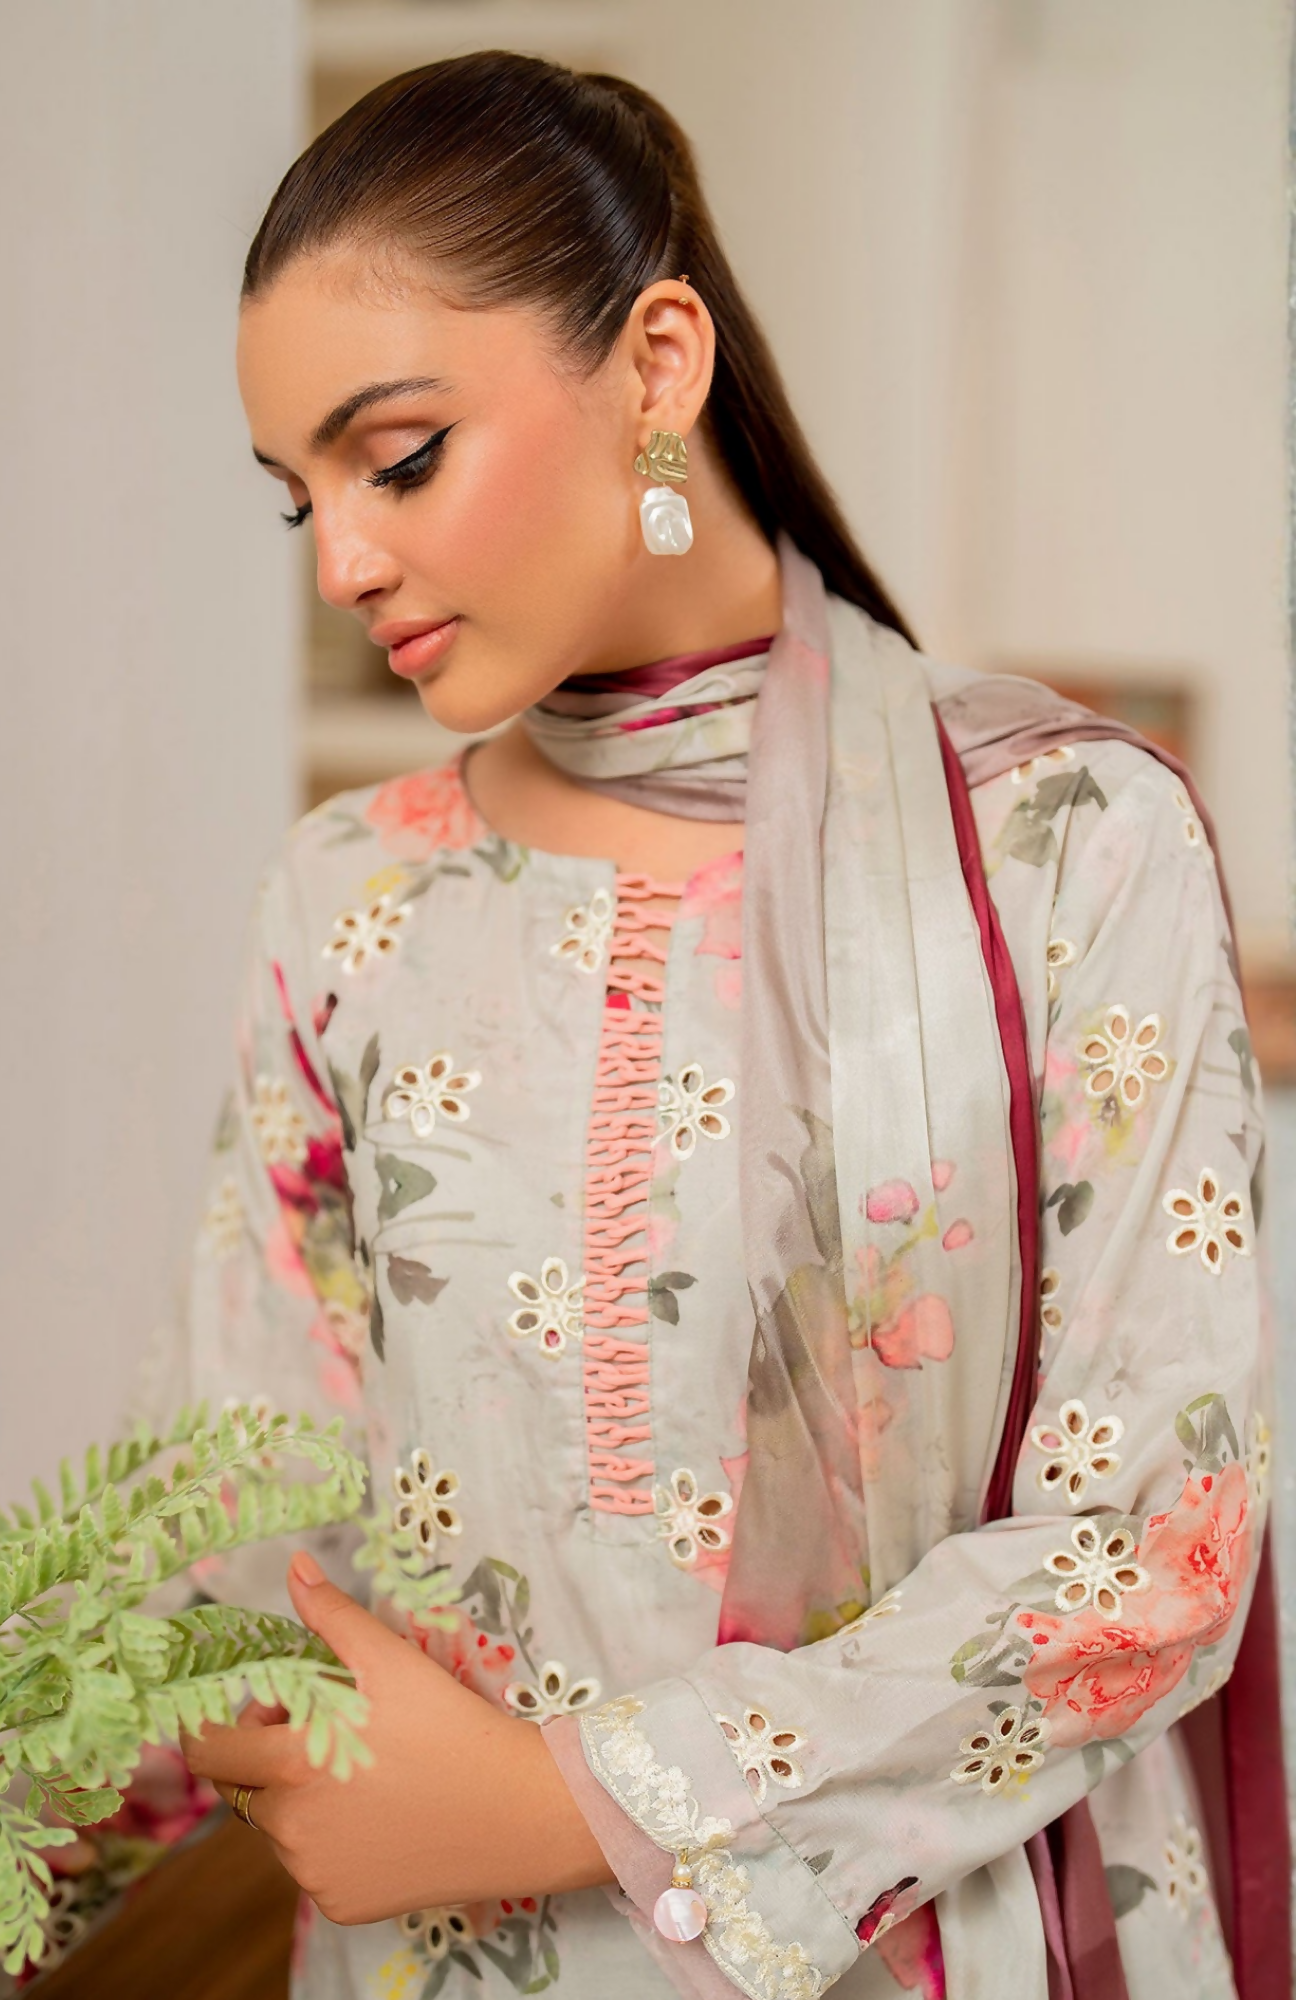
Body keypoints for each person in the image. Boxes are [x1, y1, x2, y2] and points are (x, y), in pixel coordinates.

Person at [177, 50, 1285, 2000]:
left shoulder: (1062, 843)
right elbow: (238, 1516)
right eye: (301, 504)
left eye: (399, 457)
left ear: (659, 366)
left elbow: (1158, 1543)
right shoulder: (350, 899)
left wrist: (570, 1800)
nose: (345, 561)